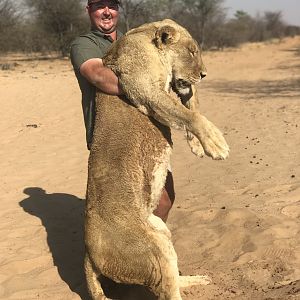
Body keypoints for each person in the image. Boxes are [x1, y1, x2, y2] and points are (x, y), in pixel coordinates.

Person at [70, 0, 175, 222]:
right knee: (120, 214)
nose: (107, 11)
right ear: (88, 10)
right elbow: (102, 78)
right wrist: (149, 85)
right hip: (112, 141)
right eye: (99, 5)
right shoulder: (84, 45)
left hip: (149, 136)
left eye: (112, 5)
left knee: (164, 200)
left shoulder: (134, 41)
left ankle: (152, 249)